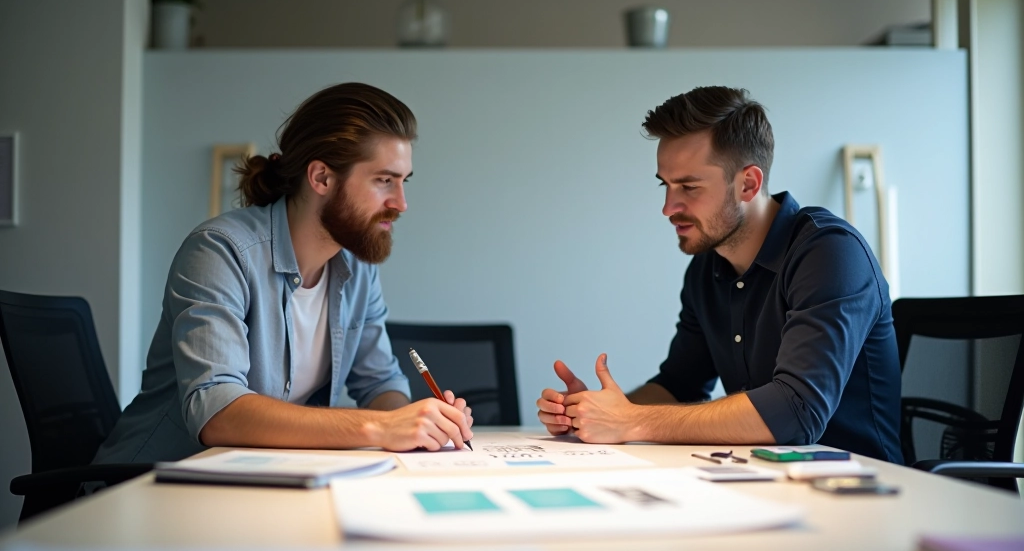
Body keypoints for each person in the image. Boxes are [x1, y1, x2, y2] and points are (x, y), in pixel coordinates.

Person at [94, 82, 473, 464]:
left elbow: (379, 382)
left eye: (404, 181)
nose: (401, 203)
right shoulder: (219, 251)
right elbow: (216, 410)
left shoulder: (357, 267)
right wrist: (381, 426)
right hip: (150, 483)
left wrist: (421, 422)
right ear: (321, 178)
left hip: (260, 479)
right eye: (384, 180)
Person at [536, 86, 902, 462]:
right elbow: (680, 386)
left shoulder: (830, 253)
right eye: (666, 185)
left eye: (689, 187)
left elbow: (796, 412)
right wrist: (593, 413)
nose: (668, 207)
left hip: (861, 483)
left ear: (748, 184)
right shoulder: (706, 268)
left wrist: (630, 421)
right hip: (760, 477)